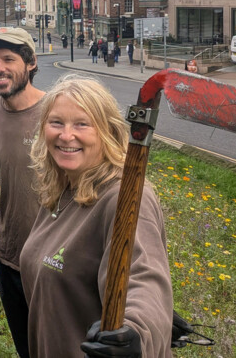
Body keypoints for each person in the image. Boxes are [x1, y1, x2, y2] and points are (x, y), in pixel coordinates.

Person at [20, 75, 173, 356]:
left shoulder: (124, 198)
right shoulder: (61, 186)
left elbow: (144, 278)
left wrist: (136, 331)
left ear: (107, 130)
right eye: (57, 123)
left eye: (82, 124)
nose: (66, 135)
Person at [0, 27, 46, 358]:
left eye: (9, 59)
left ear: (31, 63)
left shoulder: (56, 115)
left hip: (51, 264)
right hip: (7, 256)